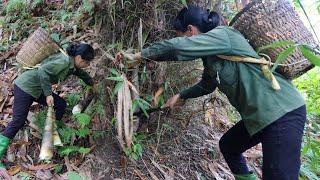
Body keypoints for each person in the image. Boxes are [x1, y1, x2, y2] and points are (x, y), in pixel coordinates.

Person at [116, 5, 306, 180]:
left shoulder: (224, 35)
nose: (183, 39)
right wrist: (182, 96)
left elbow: (176, 47)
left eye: (183, 35)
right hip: (260, 115)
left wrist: (140, 56)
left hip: (282, 112)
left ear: (190, 30)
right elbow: (208, 85)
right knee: (229, 146)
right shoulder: (212, 55)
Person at [0, 43, 96, 179]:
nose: (88, 65)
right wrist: (48, 94)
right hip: (26, 87)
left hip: (37, 88)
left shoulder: (71, 63)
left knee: (61, 105)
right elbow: (42, 71)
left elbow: (80, 73)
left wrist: (92, 83)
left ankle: (51, 133)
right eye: (87, 62)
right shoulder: (63, 62)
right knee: (18, 121)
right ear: (79, 58)